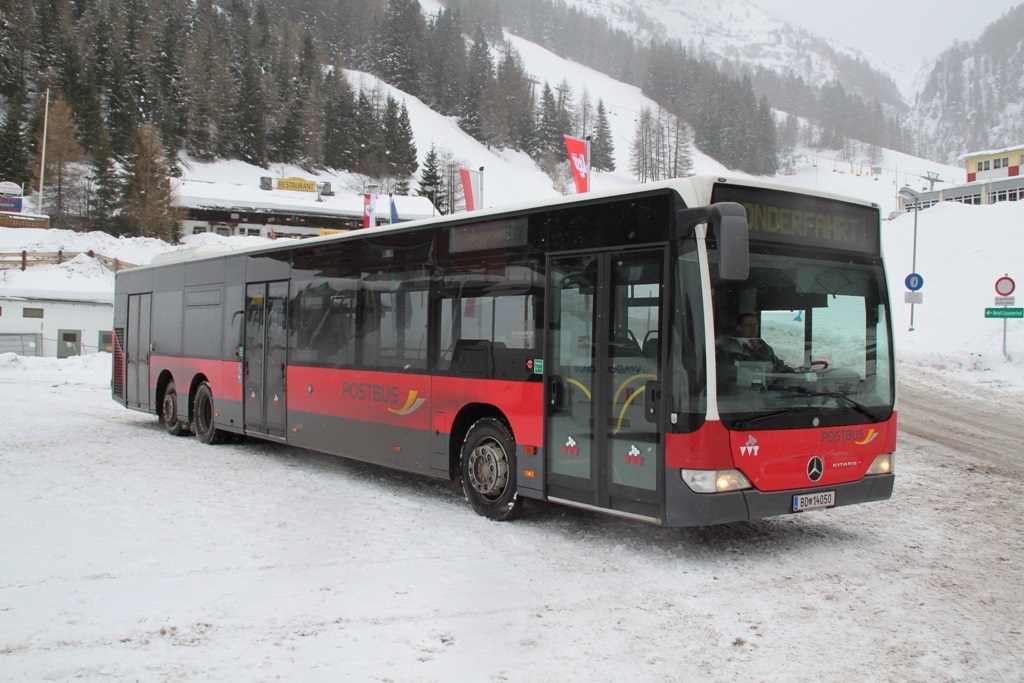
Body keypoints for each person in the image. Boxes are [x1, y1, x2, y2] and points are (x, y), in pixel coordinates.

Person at [718, 312, 793, 373]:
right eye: (749, 325)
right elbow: (745, 368)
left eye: (755, 325)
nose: (753, 329)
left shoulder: (763, 346)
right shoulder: (731, 347)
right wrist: (757, 354)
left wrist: (792, 371)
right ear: (738, 328)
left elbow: (778, 364)